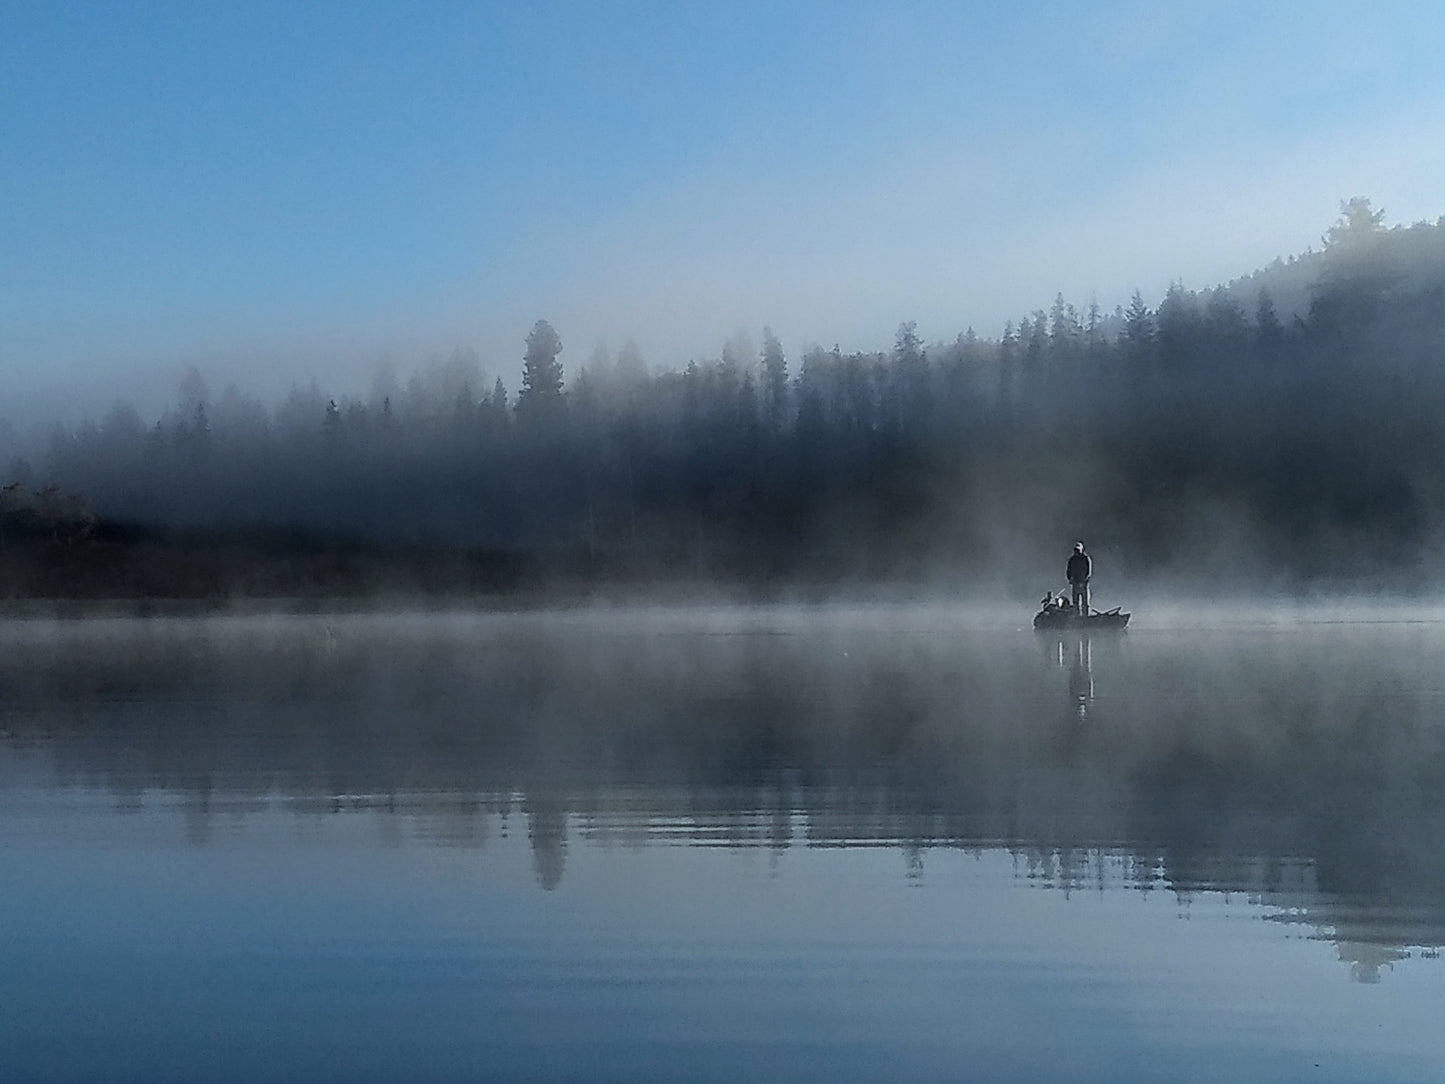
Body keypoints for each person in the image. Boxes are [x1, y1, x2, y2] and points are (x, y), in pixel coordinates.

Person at [1067, 541, 1091, 617]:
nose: (1076, 551)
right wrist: (1070, 579)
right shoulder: (1072, 559)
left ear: (1082, 549)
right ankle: (1076, 617)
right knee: (1075, 602)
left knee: (1085, 602)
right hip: (1075, 583)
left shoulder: (1086, 559)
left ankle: (1085, 617)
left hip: (1084, 584)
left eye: (1078, 549)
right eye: (1075, 550)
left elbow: (1088, 572)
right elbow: (1068, 570)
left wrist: (1084, 581)